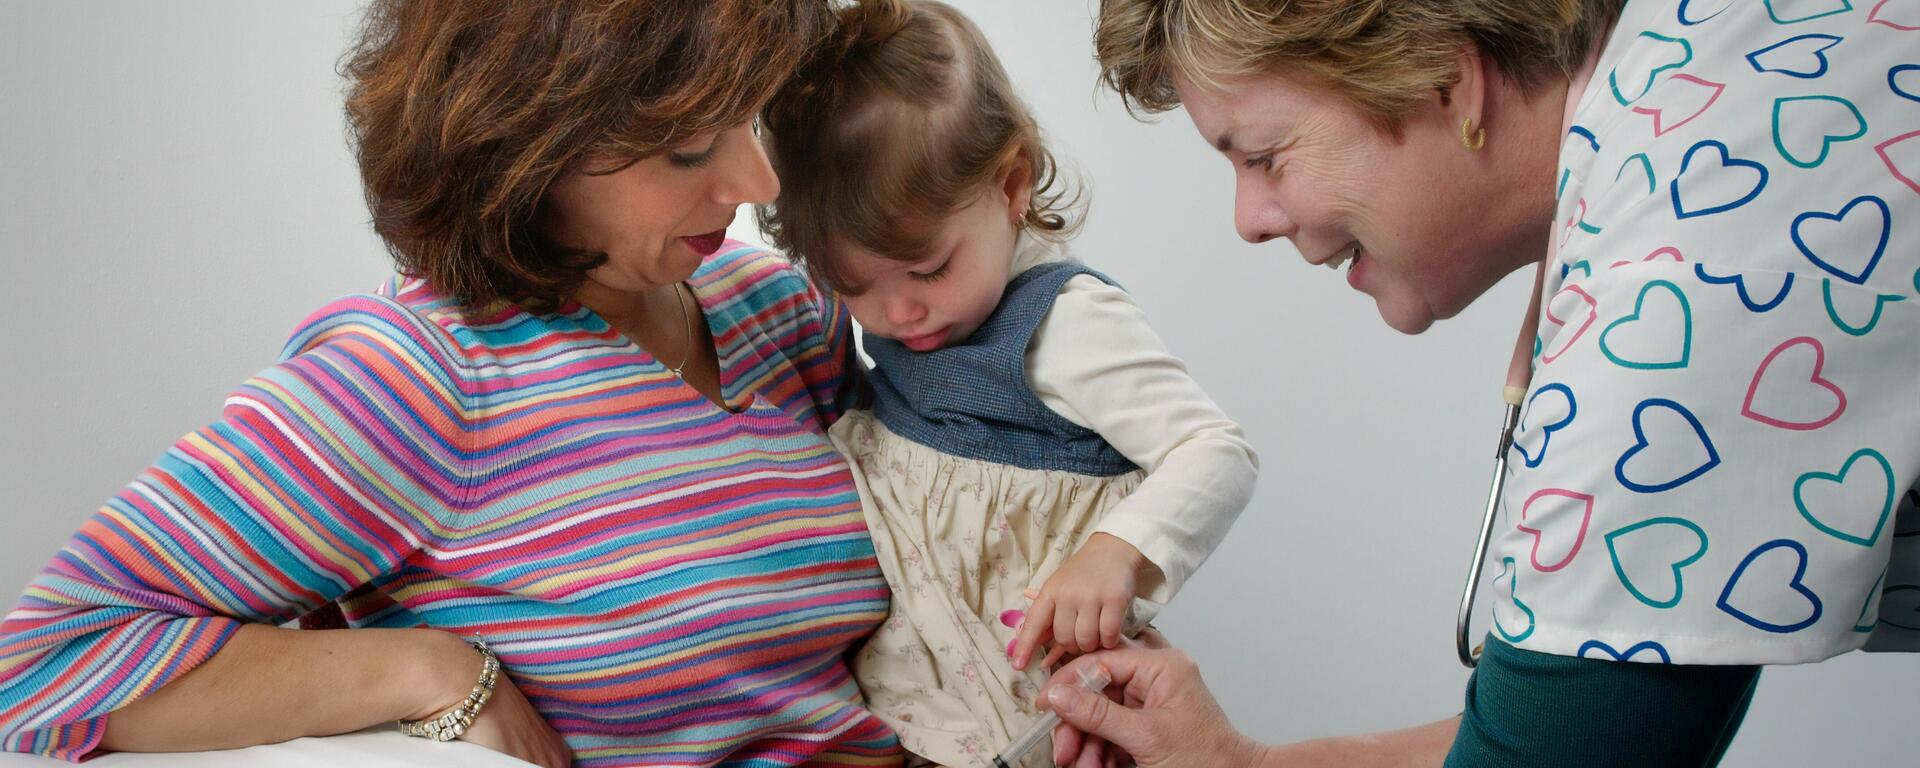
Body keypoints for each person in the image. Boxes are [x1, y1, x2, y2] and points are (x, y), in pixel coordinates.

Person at [0, 2, 908, 766]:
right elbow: (47, 661)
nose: (757, 179)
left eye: (750, 119)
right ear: (526, 144)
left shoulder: (779, 307)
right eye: (687, 148)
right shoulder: (418, 379)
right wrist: (423, 672)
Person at [1042, 0, 1920, 765]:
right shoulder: (1699, 77)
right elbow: (1584, 731)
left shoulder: (1676, 277)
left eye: (1264, 156)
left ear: (1447, 81)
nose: (1249, 221)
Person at [757, 1, 1259, 765]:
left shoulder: (1063, 325)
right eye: (851, 283)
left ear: (1012, 184)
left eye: (928, 267)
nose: (897, 311)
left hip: (1041, 722)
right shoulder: (895, 323)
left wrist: (1115, 554)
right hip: (919, 719)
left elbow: (1217, 452)